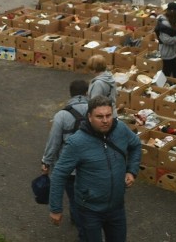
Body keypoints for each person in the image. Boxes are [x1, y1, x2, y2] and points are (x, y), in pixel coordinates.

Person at [49, 95, 142, 242]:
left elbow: (136, 145)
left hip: (116, 207)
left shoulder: (121, 129)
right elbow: (59, 174)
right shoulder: (77, 142)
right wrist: (56, 208)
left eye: (108, 115)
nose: (105, 120)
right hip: (89, 210)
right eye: (99, 116)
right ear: (89, 117)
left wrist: (132, 170)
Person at [41, 79, 89, 242]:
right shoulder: (95, 111)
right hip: (90, 166)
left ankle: (80, 225)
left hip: (69, 168)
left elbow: (53, 141)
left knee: (74, 199)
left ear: (71, 94)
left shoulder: (62, 115)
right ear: (86, 92)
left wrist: (46, 162)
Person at [156, 2, 176, 78]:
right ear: (173, 12)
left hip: (173, 52)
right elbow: (166, 40)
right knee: (166, 73)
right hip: (167, 53)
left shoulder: (171, 21)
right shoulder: (164, 24)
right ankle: (163, 87)